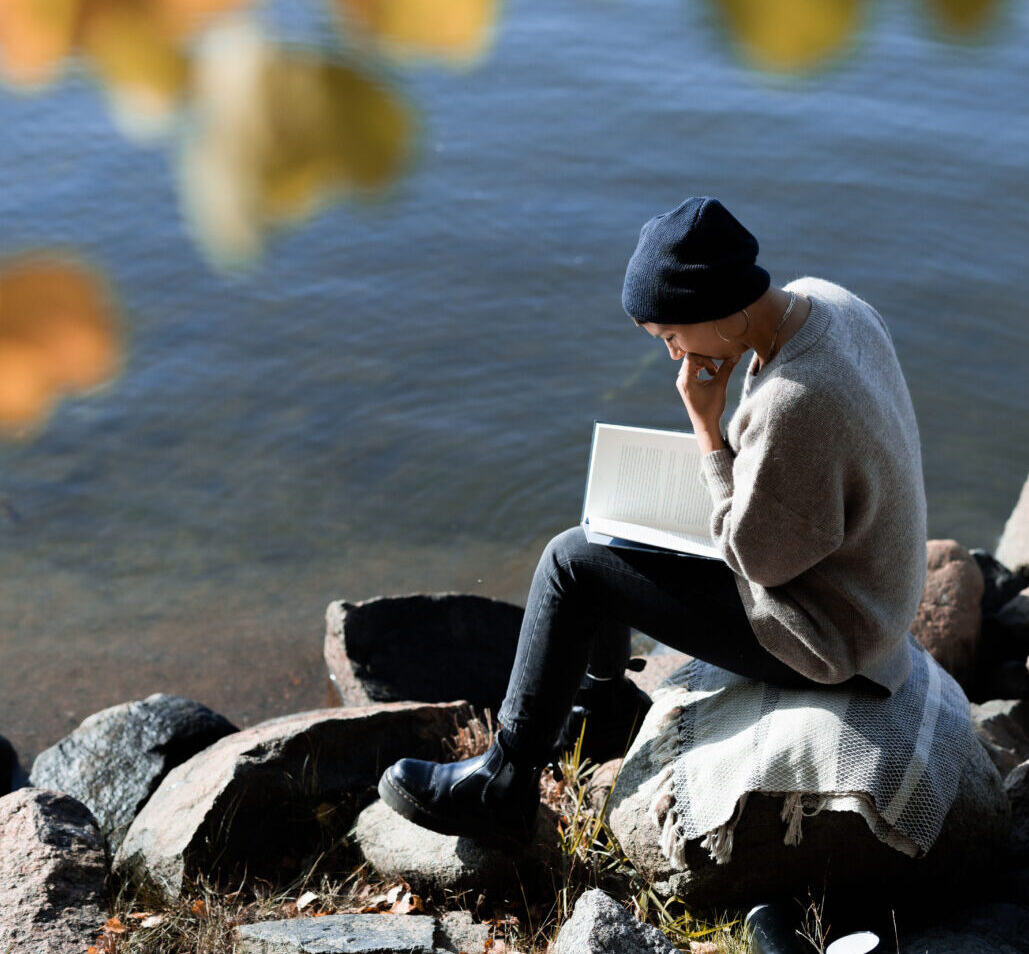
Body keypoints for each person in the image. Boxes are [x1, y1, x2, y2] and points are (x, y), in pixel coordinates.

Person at [378, 196, 928, 848]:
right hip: (861, 583)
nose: (673, 355)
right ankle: (602, 709)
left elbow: (759, 560)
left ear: (717, 311)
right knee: (614, 528)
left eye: (671, 337)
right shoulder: (828, 302)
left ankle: (503, 782)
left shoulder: (793, 404)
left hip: (829, 632)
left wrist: (705, 425)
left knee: (569, 563)